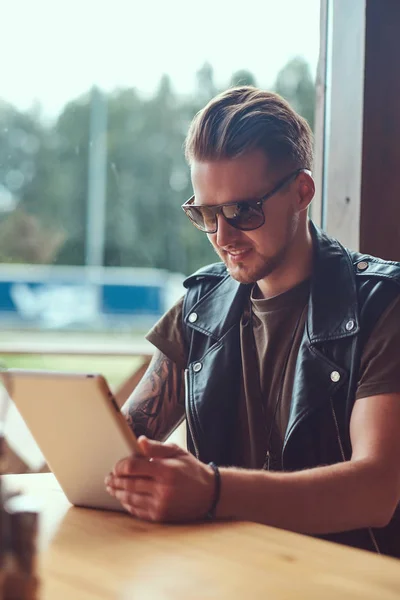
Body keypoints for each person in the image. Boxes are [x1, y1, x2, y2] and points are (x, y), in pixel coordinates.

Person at [104, 86, 400, 557]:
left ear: (303, 192)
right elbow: (119, 442)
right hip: (222, 575)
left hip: (345, 583)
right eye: (206, 213)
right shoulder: (199, 308)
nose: (223, 236)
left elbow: (375, 491)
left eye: (243, 210)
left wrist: (213, 492)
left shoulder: (383, 305)